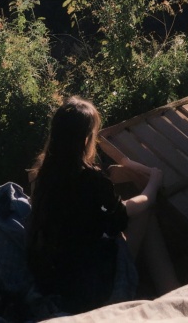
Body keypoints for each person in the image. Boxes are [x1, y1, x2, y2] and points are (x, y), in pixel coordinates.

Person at [26, 95, 179, 315]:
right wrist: (153, 184)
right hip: (90, 288)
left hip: (53, 277)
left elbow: (86, 180)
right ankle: (173, 292)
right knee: (146, 212)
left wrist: (124, 167)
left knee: (135, 213)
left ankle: (170, 289)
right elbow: (121, 216)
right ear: (87, 140)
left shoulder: (40, 174)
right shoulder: (92, 182)